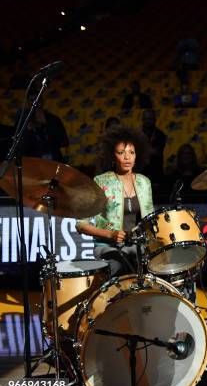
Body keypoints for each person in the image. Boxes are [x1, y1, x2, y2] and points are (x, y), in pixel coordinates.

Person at [76, 125, 154, 276]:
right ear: (112, 156)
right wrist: (110, 235)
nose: (127, 157)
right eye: (121, 153)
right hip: (107, 246)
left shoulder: (144, 183)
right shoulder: (101, 181)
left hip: (137, 245)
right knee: (118, 264)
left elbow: (150, 221)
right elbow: (81, 225)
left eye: (131, 152)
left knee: (154, 264)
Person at [20, 89, 69, 162]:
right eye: (32, 100)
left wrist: (46, 127)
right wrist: (28, 131)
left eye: (38, 99)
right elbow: (21, 148)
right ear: (28, 103)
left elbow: (64, 142)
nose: (35, 102)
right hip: (35, 164)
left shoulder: (54, 120)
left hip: (55, 162)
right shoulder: (24, 122)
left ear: (42, 100)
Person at [140, 109, 167, 177]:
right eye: (145, 119)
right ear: (142, 120)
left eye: (150, 119)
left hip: (156, 171)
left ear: (155, 120)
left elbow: (156, 152)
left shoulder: (160, 134)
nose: (147, 121)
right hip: (141, 171)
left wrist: (142, 150)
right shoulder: (137, 134)